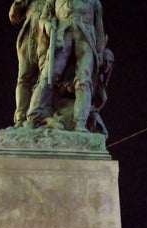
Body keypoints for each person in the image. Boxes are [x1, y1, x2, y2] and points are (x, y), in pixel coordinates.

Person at [27, 0, 105, 132]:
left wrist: (99, 52)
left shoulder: (94, 2)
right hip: (62, 37)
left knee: (84, 80)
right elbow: (43, 18)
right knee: (48, 75)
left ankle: (80, 123)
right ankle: (33, 116)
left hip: (86, 39)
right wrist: (47, 25)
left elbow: (99, 29)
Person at [8, 0, 48, 128]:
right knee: (23, 78)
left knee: (46, 77)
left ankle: (39, 115)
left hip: (46, 36)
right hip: (29, 34)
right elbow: (14, 17)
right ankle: (20, 118)